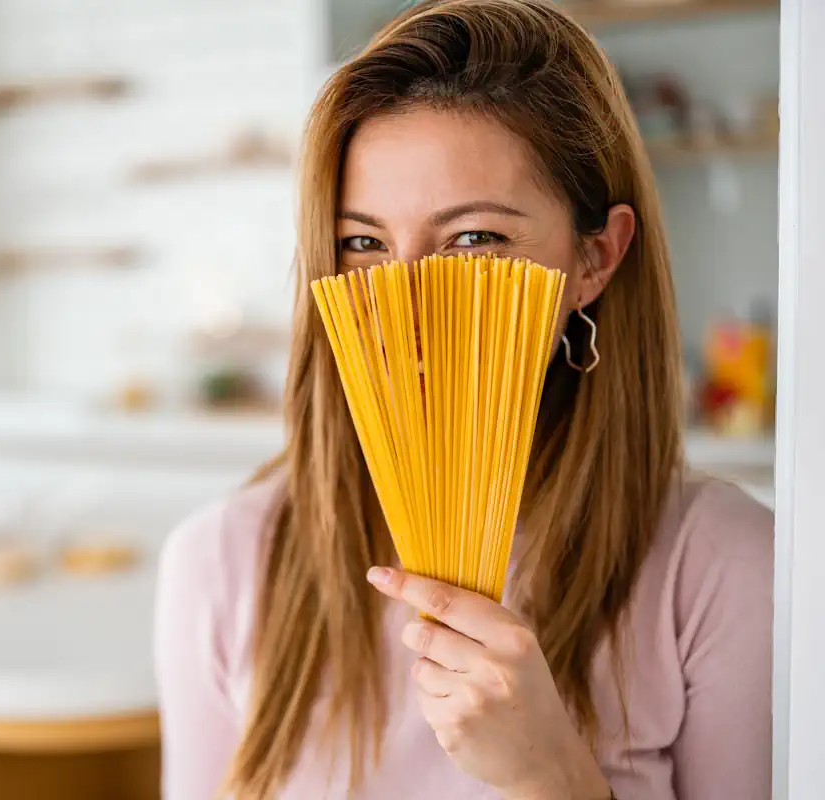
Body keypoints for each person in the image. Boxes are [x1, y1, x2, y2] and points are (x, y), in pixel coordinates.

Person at [154, 0, 774, 797]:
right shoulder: (221, 565)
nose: (406, 305)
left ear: (595, 257)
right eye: (364, 245)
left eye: (473, 240)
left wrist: (555, 776)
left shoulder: (725, 569)